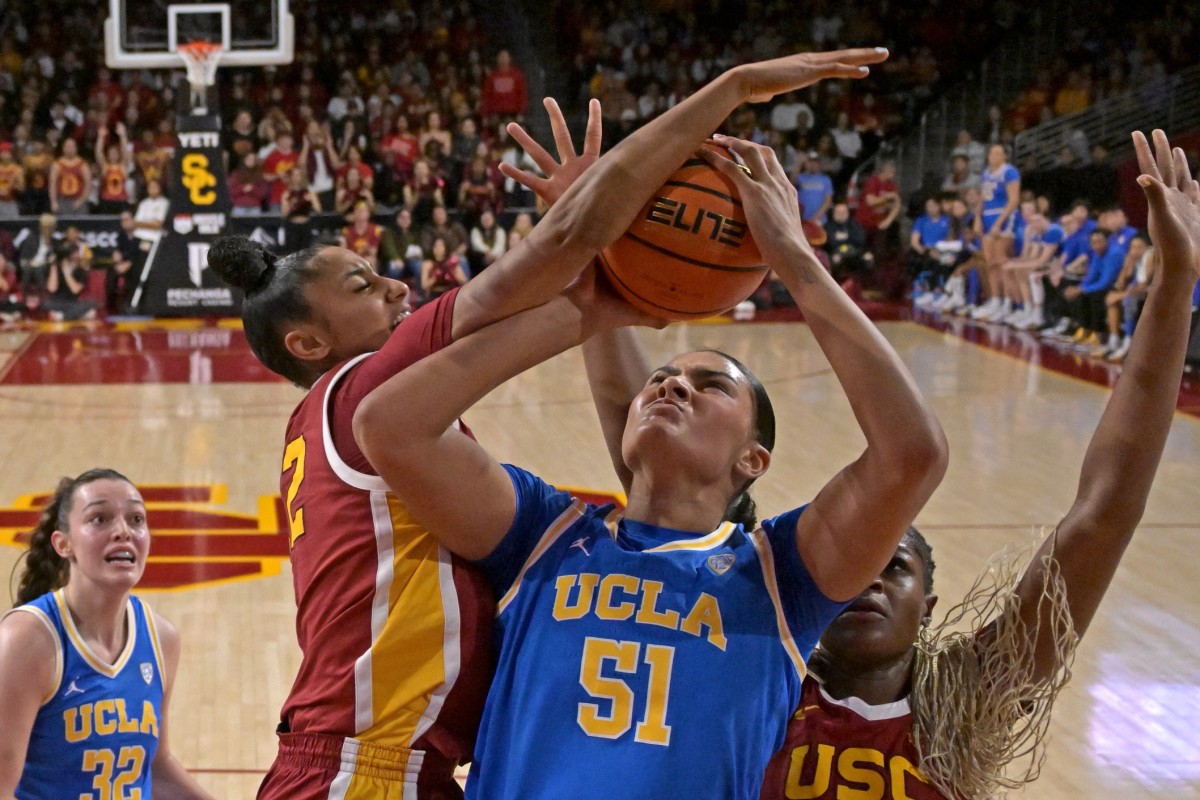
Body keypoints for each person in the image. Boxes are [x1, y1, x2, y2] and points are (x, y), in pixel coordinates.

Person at [206, 47, 891, 800]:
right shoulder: (367, 386)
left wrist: (599, 245)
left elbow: (633, 449)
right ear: (307, 342)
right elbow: (563, 249)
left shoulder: (333, 415)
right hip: (362, 773)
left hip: (394, 767)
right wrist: (727, 93)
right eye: (363, 284)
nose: (397, 284)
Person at [353, 131, 945, 799]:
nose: (672, 385)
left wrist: (794, 258)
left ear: (753, 459)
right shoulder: (545, 534)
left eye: (712, 385)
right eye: (661, 377)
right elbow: (389, 427)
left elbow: (912, 454)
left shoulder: (783, 574)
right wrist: (584, 299)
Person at [759, 128, 1200, 800]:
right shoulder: (759, 679)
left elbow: (1103, 512)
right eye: (857, 558)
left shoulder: (967, 699)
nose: (871, 577)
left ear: (927, 608)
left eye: (896, 567)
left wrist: (1173, 284)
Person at [0, 469, 214, 799]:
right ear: (63, 543)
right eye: (100, 519)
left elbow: (156, 768)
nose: (123, 532)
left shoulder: (161, 638)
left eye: (136, 519)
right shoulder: (26, 640)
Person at [970, 143, 1020, 321]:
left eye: (998, 153)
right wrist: (977, 218)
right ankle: (995, 300)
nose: (994, 156)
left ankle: (1008, 304)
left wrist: (999, 223)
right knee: (990, 262)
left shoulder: (1010, 172)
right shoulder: (985, 173)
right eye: (992, 153)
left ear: (1005, 156)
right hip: (987, 216)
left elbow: (1014, 200)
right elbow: (983, 198)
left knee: (1001, 261)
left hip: (1004, 216)